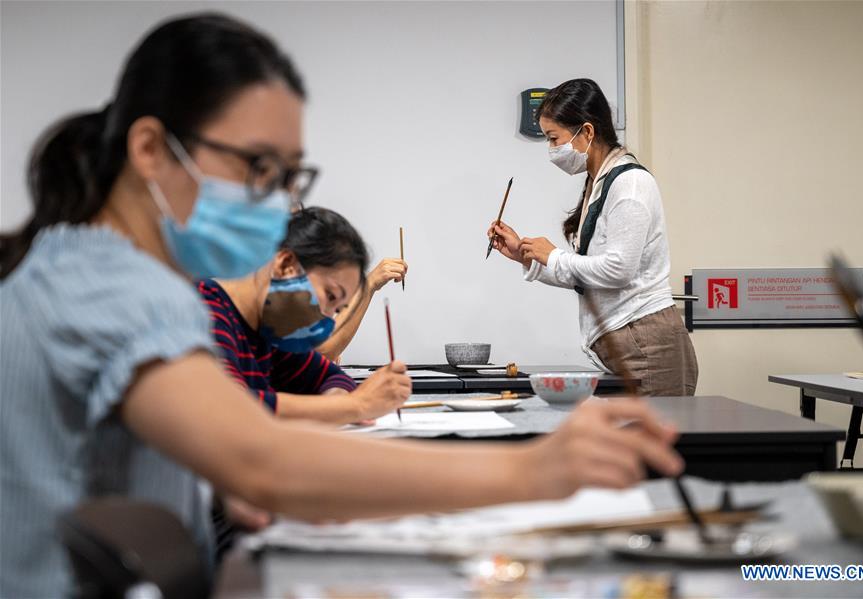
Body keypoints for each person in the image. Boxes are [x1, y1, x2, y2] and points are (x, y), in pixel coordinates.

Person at [0, 16, 683, 597]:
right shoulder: (121, 287)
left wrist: (206, 480)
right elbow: (260, 456)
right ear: (150, 149)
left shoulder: (82, 262)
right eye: (257, 168)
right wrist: (531, 468)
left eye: (291, 176)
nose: (280, 204)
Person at [489, 78, 698, 397]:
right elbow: (588, 276)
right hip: (630, 344)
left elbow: (618, 270)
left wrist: (554, 255)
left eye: (554, 138)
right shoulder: (596, 185)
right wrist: (525, 255)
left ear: (587, 131)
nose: (552, 150)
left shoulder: (630, 185)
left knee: (649, 446)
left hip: (648, 344)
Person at [198, 207, 408, 424]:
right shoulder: (203, 310)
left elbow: (332, 377)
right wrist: (355, 405)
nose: (327, 318)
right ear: (286, 264)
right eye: (330, 295)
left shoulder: (270, 331)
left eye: (337, 310)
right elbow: (229, 408)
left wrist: (336, 406)